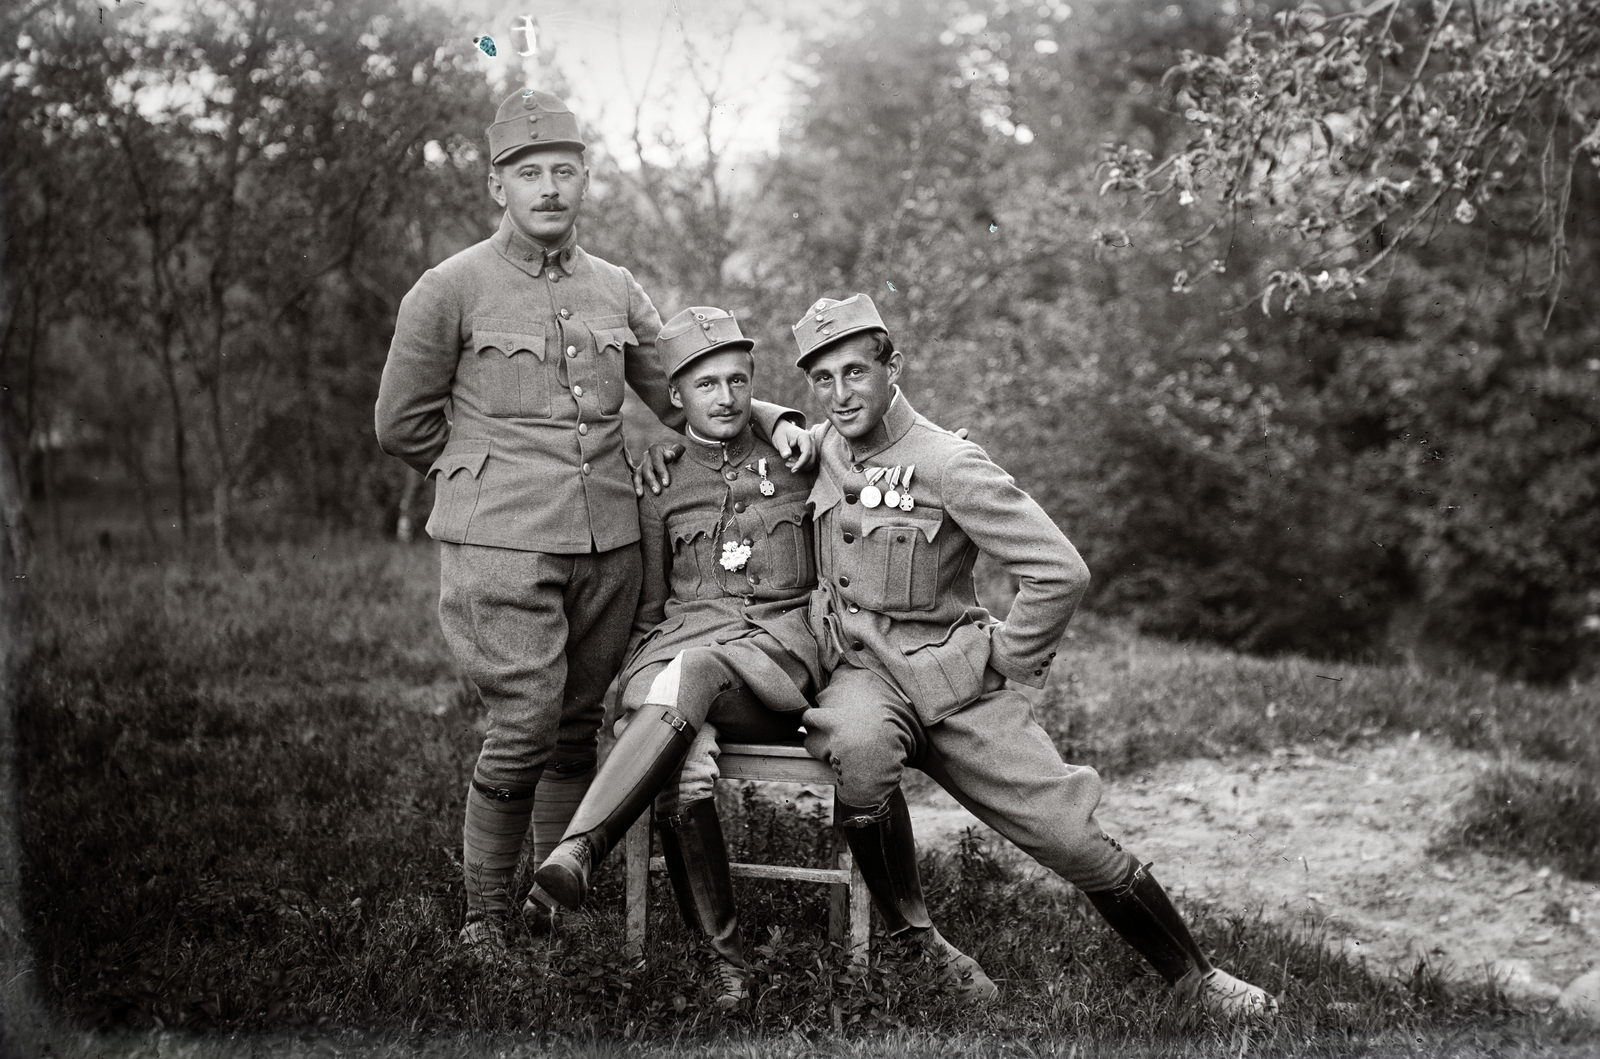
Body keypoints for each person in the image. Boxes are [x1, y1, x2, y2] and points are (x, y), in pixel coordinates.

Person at [373, 90, 812, 957]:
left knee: (576, 723)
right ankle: (484, 918)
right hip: (500, 547)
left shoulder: (614, 286)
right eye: (528, 173)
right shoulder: (450, 288)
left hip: (611, 545)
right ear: (496, 184)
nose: (548, 188)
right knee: (524, 724)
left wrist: (780, 418)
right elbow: (401, 424)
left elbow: (681, 385)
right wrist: (480, 480)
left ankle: (548, 900)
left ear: (585, 180)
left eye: (564, 172)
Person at [791, 293, 1276, 1021]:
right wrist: (772, 423)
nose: (840, 394)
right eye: (822, 380)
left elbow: (1059, 570)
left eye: (855, 372)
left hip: (957, 685)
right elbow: (757, 419)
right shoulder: (821, 444)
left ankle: (1194, 976)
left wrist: (1009, 663)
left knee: (1068, 831)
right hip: (865, 677)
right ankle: (916, 941)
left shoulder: (949, 462)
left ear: (895, 366)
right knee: (856, 747)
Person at [535, 306, 993, 1008]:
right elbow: (655, 610)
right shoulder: (659, 480)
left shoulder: (796, 453)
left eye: (738, 380)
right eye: (706, 384)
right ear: (676, 397)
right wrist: (641, 681)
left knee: (693, 674)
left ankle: (579, 850)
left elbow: (876, 451)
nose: (724, 397)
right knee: (684, 746)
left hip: (778, 666)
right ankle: (729, 969)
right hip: (684, 661)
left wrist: (788, 420)